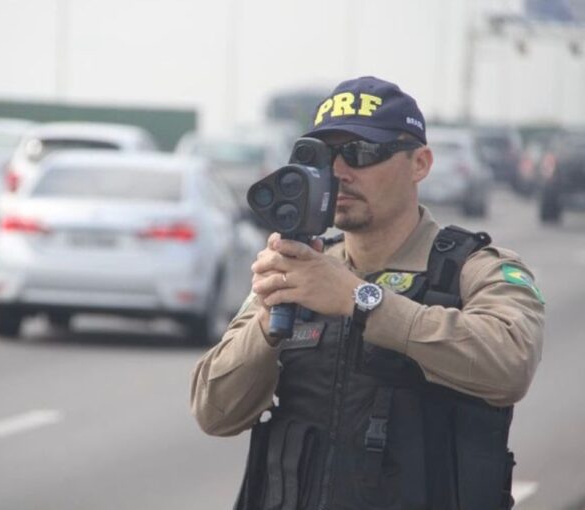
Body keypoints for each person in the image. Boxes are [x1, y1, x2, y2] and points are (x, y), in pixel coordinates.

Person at [190, 76, 544, 510]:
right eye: (327, 155)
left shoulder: (475, 268)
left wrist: (362, 301)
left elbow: (509, 364)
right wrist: (268, 318)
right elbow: (214, 411)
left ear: (420, 163)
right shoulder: (302, 267)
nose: (339, 171)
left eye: (361, 152)